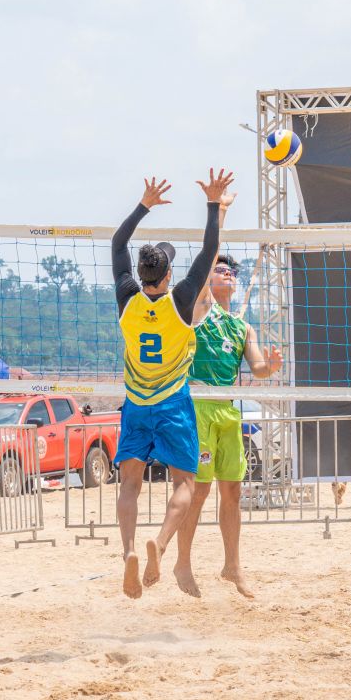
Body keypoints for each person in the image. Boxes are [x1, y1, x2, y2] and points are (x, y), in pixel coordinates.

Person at [111, 169, 233, 600]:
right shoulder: (181, 302)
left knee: (130, 485)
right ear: (165, 277)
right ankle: (159, 546)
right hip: (172, 402)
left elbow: (117, 244)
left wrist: (144, 205)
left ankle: (128, 550)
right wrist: (214, 205)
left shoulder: (126, 297)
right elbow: (209, 251)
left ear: (142, 273)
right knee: (185, 484)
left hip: (136, 402)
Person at [171, 248, 283, 599]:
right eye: (221, 271)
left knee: (232, 491)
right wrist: (216, 219)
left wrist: (272, 366)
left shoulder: (242, 326)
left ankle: (232, 565)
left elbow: (259, 370)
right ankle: (183, 563)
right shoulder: (200, 309)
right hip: (199, 406)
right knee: (199, 491)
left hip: (228, 411)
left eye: (232, 272)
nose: (228, 274)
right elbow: (204, 270)